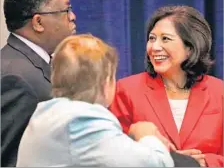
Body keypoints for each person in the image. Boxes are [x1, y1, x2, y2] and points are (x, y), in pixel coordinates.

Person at [16, 34, 174, 167]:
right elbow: (157, 164)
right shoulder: (81, 121)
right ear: (106, 83)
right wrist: (147, 135)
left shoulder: (46, 114)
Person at [110, 5, 223, 167]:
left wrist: (204, 163)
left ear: (190, 48)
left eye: (165, 39)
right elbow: (113, 152)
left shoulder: (219, 92)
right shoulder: (126, 90)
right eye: (152, 38)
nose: (154, 47)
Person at [1, 0, 76, 166]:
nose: (72, 16)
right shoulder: (16, 78)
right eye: (66, 9)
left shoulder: (24, 64)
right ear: (38, 23)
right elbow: (10, 159)